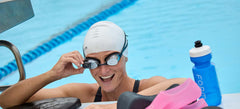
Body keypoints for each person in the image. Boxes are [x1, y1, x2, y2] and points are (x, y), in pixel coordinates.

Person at [0, 21, 186, 109]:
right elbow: (6, 101)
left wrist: (106, 107)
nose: (103, 70)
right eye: (94, 63)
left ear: (125, 56)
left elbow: (183, 85)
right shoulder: (85, 94)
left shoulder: (149, 86)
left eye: (112, 59)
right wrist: (52, 75)